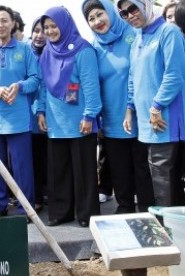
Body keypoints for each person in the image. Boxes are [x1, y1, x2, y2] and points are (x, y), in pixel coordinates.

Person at [82, 0, 155, 213]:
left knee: (142, 168)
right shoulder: (94, 46)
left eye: (100, 14)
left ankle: (147, 211)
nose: (97, 22)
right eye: (91, 19)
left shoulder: (134, 34)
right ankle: (124, 207)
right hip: (111, 118)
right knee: (119, 168)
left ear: (112, 13)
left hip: (138, 115)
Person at [37, 6, 101, 227]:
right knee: (59, 171)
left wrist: (89, 115)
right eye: (46, 27)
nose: (50, 31)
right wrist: (40, 110)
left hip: (81, 121)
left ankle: (87, 215)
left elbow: (91, 86)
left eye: (54, 26)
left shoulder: (84, 50)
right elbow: (43, 86)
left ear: (64, 24)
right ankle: (61, 213)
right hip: (56, 122)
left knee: (84, 171)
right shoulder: (47, 51)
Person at [118, 0, 185, 207]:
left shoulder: (168, 32)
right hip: (146, 121)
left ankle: (168, 234)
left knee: (163, 182)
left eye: (133, 8)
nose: (130, 15)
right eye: (123, 13)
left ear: (145, 5)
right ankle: (164, 230)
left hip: (164, 120)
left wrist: (156, 106)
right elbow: (133, 76)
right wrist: (130, 109)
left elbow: (174, 76)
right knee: (155, 181)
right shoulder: (137, 37)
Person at [0, 5, 40, 220]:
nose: (0, 25)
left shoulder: (25, 50)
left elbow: (35, 80)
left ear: (13, 23)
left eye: (4, 20)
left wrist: (18, 86)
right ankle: (0, 205)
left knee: (22, 166)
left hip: (19, 118)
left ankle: (25, 208)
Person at [28, 17, 48, 213]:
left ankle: (50, 194)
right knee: (34, 158)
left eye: (44, 30)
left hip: (53, 113)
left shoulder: (55, 52)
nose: (40, 35)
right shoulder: (26, 52)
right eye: (36, 30)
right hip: (30, 114)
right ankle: (37, 197)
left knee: (49, 158)